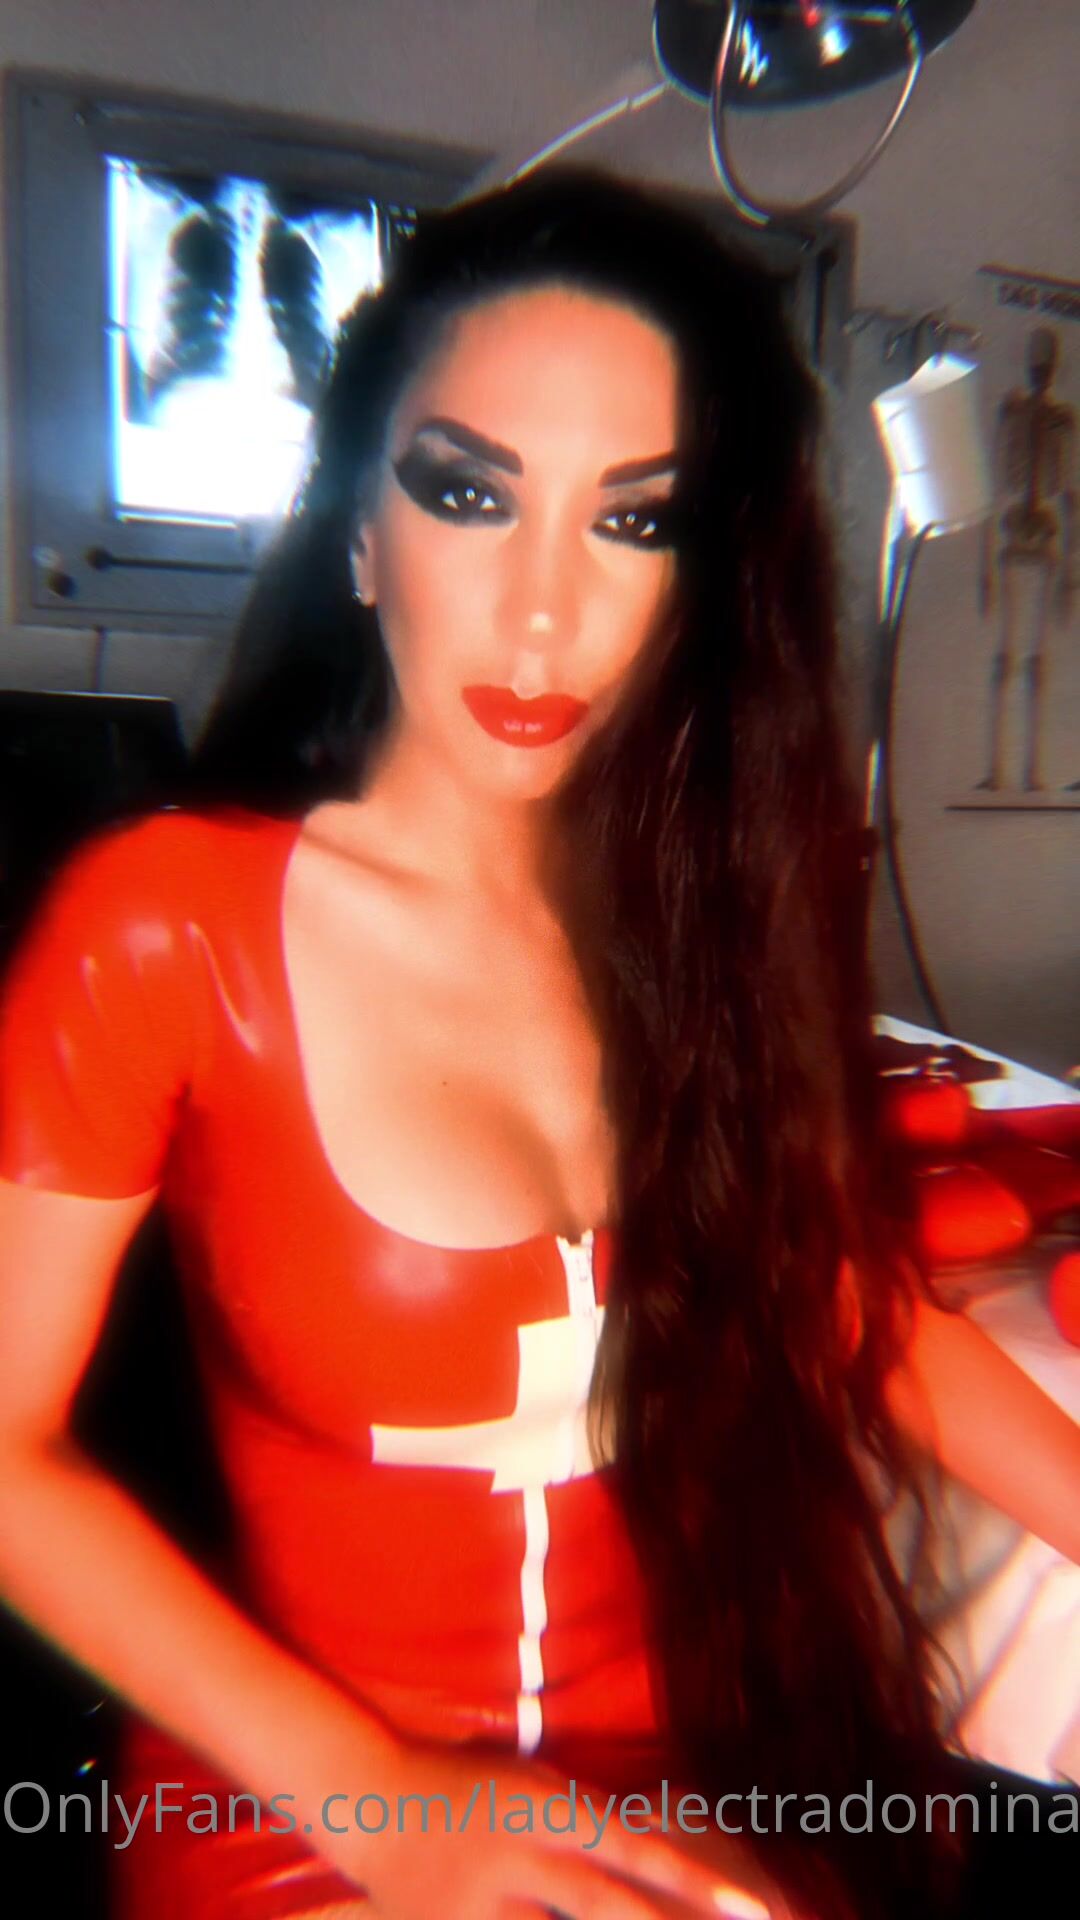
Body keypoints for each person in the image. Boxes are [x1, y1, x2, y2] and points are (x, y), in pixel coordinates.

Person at [0, 165, 1077, 1920]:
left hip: (686, 1773)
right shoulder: (167, 927)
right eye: (468, 494)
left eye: (634, 521)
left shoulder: (701, 929)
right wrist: (383, 1810)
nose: (544, 611)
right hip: (309, 1790)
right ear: (360, 533)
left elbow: (844, 1304)